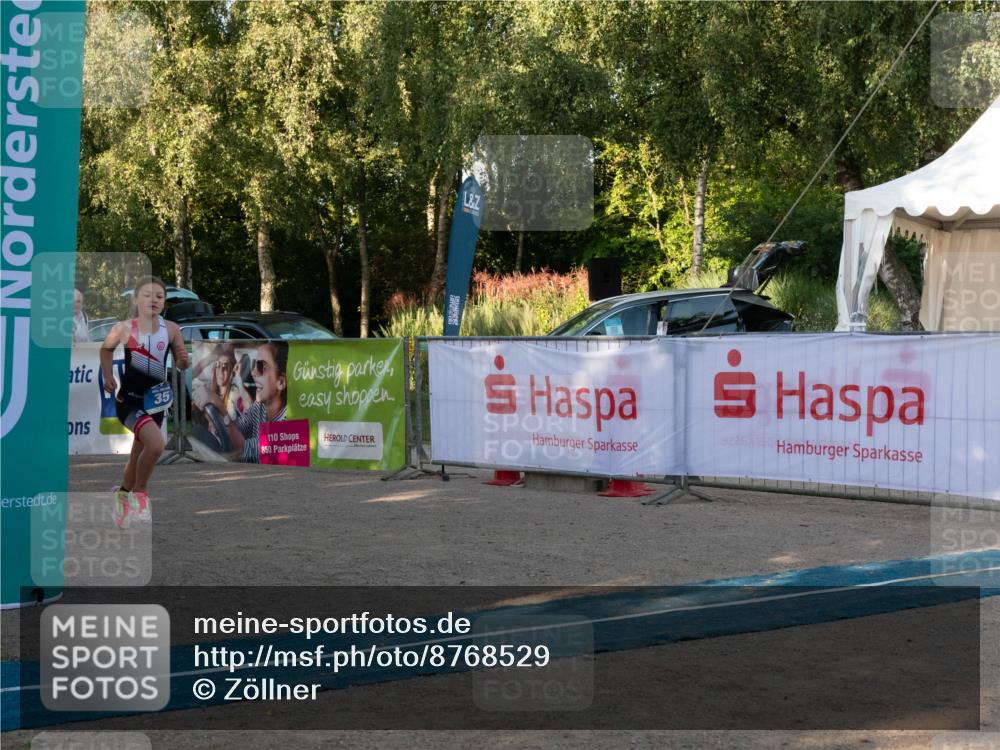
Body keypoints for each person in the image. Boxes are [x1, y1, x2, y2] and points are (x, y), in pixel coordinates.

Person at [100, 276, 189, 527]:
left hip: (155, 403)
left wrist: (183, 361)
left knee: (137, 455)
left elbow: (181, 360)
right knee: (157, 445)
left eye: (159, 296)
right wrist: (108, 375)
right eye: (148, 295)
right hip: (129, 401)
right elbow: (105, 350)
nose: (154, 300)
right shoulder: (124, 328)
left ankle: (121, 496)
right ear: (136, 300)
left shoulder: (171, 329)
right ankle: (139, 495)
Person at [205, 341, 288, 463]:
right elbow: (238, 427)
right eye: (254, 365)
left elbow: (243, 451)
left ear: (280, 382)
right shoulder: (260, 407)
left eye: (262, 367)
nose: (253, 372)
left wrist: (220, 409)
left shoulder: (288, 422)